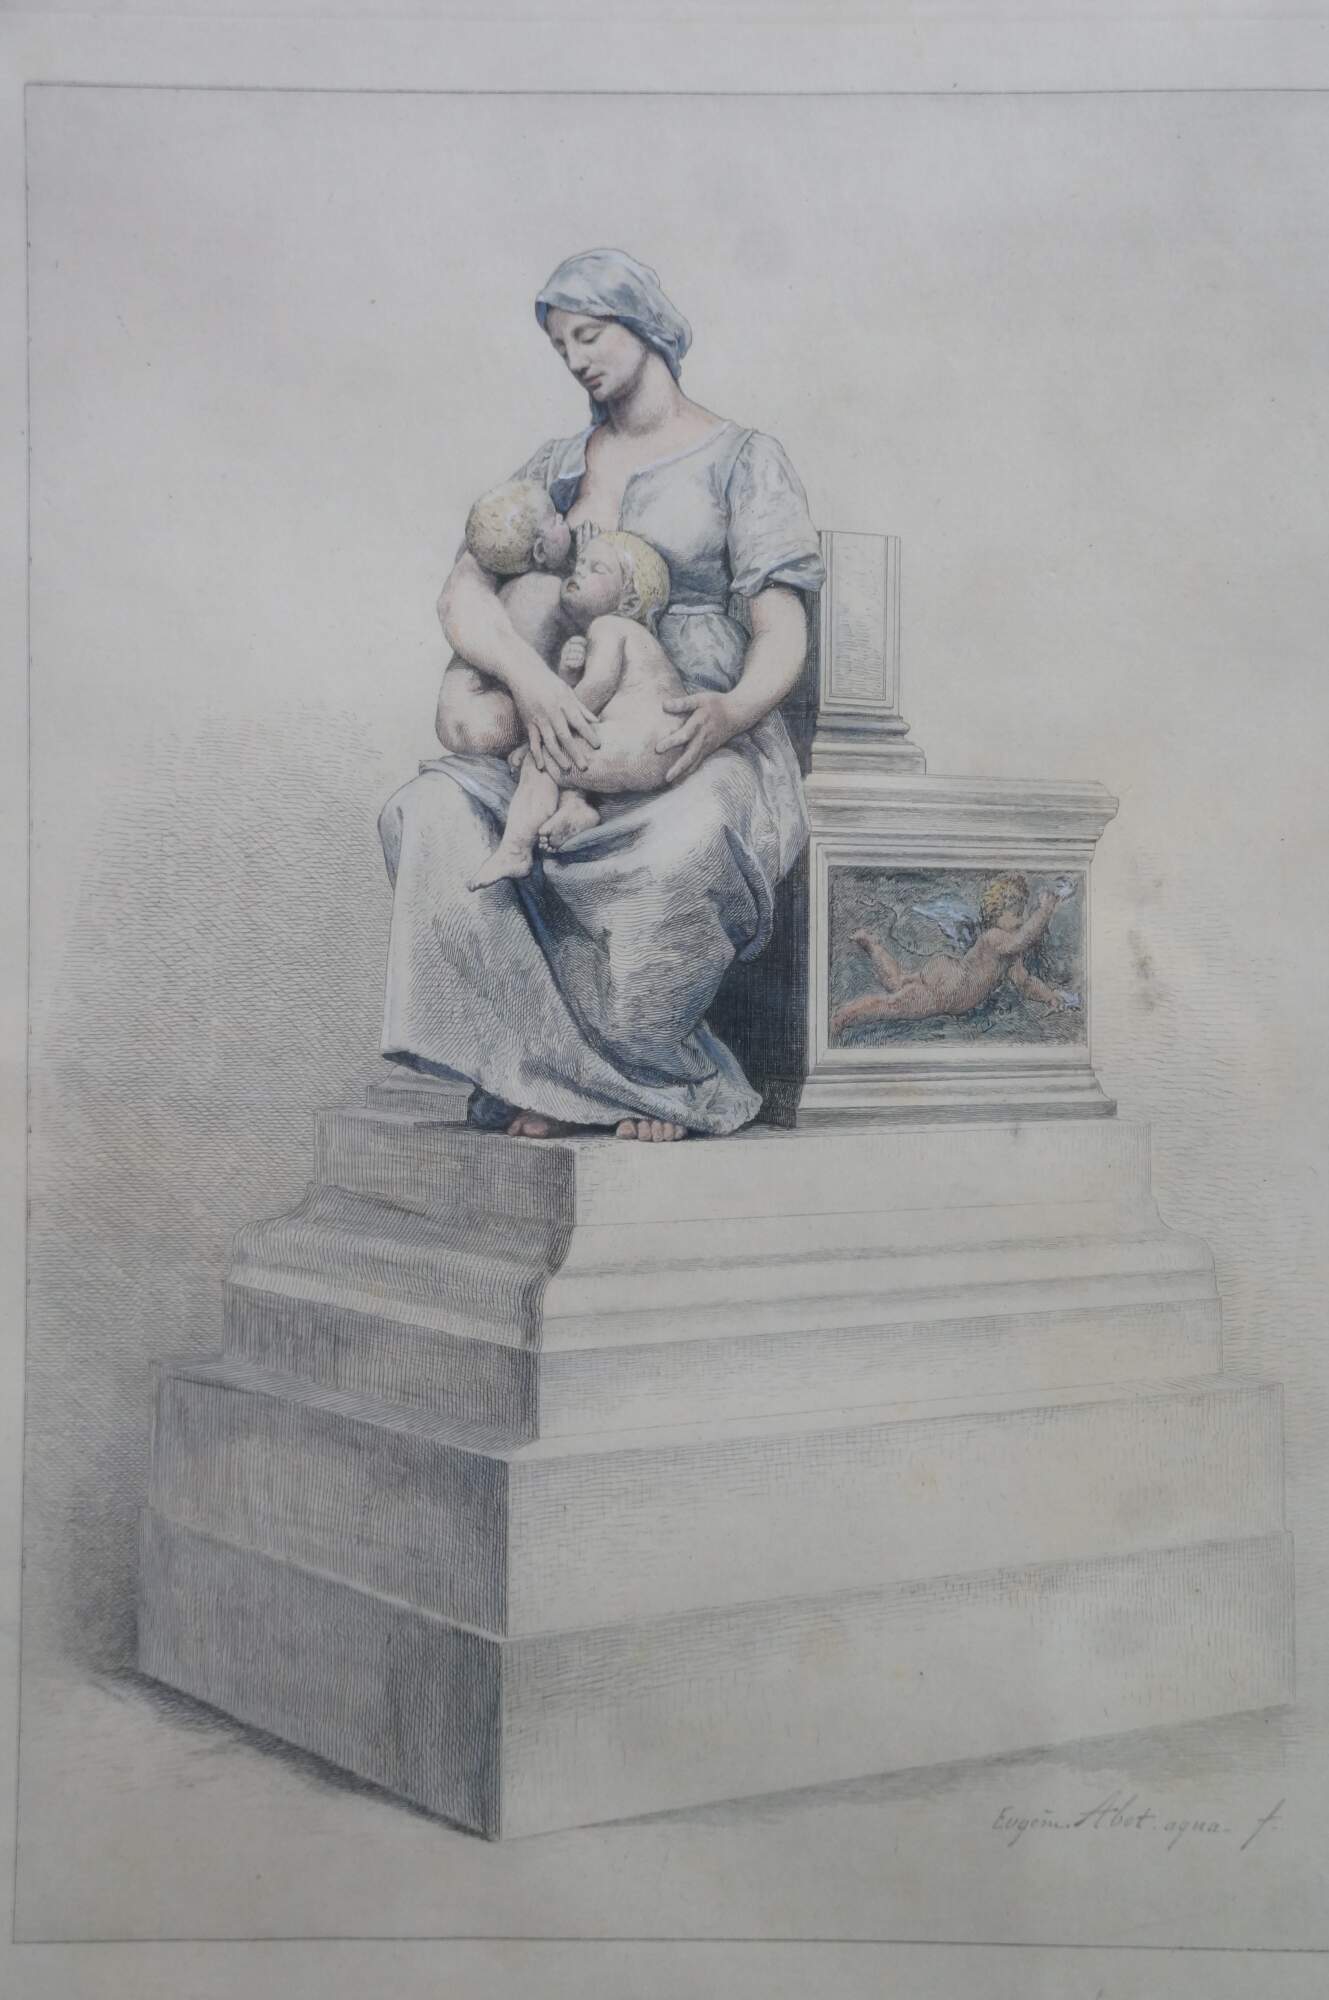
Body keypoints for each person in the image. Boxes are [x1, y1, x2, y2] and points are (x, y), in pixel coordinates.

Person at [378, 247, 825, 1142]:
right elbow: (462, 593)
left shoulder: (743, 459)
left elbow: (780, 627)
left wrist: (732, 712)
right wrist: (531, 680)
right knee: (429, 813)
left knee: (687, 841)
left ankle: (653, 1078)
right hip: (551, 733)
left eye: (589, 335)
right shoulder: (553, 465)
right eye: (560, 347)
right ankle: (546, 1075)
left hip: (691, 732)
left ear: (646, 325)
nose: (575, 359)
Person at [466, 528, 692, 890]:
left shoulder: (609, 626)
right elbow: (595, 705)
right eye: (580, 564)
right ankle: (575, 808)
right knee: (574, 751)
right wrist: (569, 673)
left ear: (630, 601)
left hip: (644, 742)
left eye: (597, 568)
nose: (580, 571)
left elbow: (596, 689)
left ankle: (514, 850)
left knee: (544, 760)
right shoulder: (623, 637)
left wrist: (540, 740)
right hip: (660, 744)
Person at [830, 875, 1079, 1036]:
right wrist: (1045, 910)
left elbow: (1025, 983)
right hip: (950, 987)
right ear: (996, 913)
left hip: (947, 977)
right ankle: (843, 1016)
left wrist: (1049, 996)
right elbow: (1024, 937)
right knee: (893, 1005)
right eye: (1015, 913)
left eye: (1022, 913)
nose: (1021, 919)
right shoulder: (995, 937)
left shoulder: (1010, 956)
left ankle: (872, 945)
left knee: (898, 983)